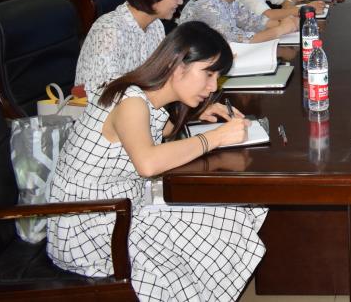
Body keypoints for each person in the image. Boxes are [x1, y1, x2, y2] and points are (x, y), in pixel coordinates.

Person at [48, 21, 267, 302]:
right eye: (208, 73)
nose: (213, 86)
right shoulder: (131, 101)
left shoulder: (144, 95)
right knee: (219, 217)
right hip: (88, 226)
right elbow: (148, 164)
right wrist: (216, 137)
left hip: (118, 209)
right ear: (177, 65)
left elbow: (158, 130)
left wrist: (197, 112)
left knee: (231, 206)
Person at [75, 0, 186, 94]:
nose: (181, 1)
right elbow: (102, 96)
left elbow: (163, 74)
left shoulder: (155, 25)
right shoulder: (109, 31)